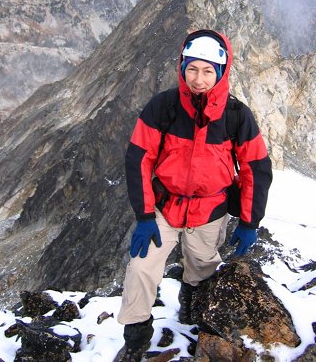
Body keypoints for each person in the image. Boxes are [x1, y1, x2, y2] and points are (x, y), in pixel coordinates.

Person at [113, 29, 273, 361]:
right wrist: (144, 217)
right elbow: (138, 158)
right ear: (182, 68)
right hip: (165, 208)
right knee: (141, 269)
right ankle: (137, 338)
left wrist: (249, 221)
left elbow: (255, 167)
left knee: (202, 268)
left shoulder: (236, 116)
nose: (198, 80)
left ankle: (190, 307)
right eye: (192, 69)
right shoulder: (163, 107)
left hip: (210, 210)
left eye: (207, 71)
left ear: (221, 71)